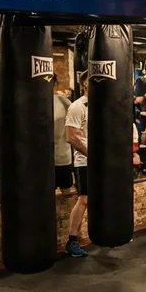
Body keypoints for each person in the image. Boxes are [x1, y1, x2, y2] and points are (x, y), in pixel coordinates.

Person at [64, 71, 90, 257]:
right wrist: (93, 155)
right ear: (84, 83)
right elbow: (71, 137)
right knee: (84, 200)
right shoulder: (77, 106)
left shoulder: (103, 105)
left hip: (104, 162)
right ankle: (72, 241)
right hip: (84, 161)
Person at [53, 87, 74, 193]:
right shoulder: (35, 101)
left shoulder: (63, 101)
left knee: (66, 193)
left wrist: (63, 97)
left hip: (62, 156)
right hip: (43, 159)